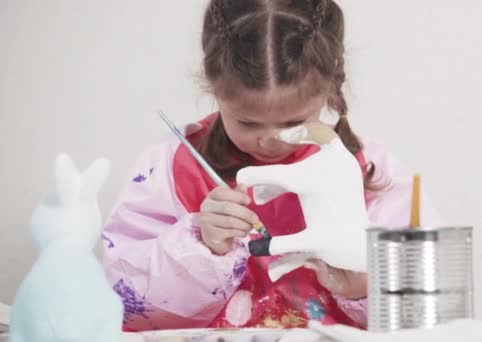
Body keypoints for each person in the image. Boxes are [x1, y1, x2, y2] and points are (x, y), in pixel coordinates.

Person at [102, 0, 441, 331]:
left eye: (293, 121)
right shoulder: (172, 169)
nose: (269, 141)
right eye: (247, 123)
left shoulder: (370, 173)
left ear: (330, 84)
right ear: (213, 84)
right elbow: (123, 305)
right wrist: (201, 248)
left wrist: (366, 284)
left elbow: (429, 315)